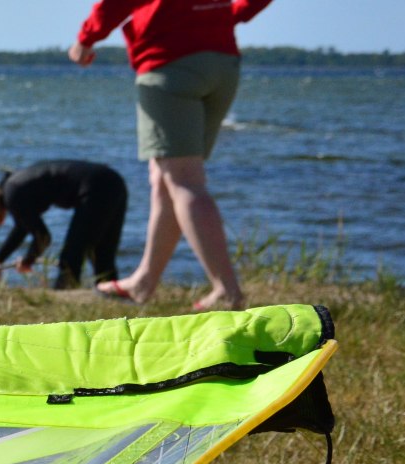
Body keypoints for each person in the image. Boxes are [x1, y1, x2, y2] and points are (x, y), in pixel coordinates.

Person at [72, 0, 271, 310]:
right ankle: (144, 282)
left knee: (185, 181)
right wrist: (230, 15)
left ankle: (227, 291)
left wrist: (86, 39)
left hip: (171, 62)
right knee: (164, 177)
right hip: (222, 61)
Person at [0, 160, 127, 290]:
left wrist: (28, 259)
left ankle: (64, 310)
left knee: (70, 259)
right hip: (112, 181)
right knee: (102, 257)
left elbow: (43, 236)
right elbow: (22, 228)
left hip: (96, 189)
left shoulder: (13, 194)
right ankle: (115, 303)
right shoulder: (12, 188)